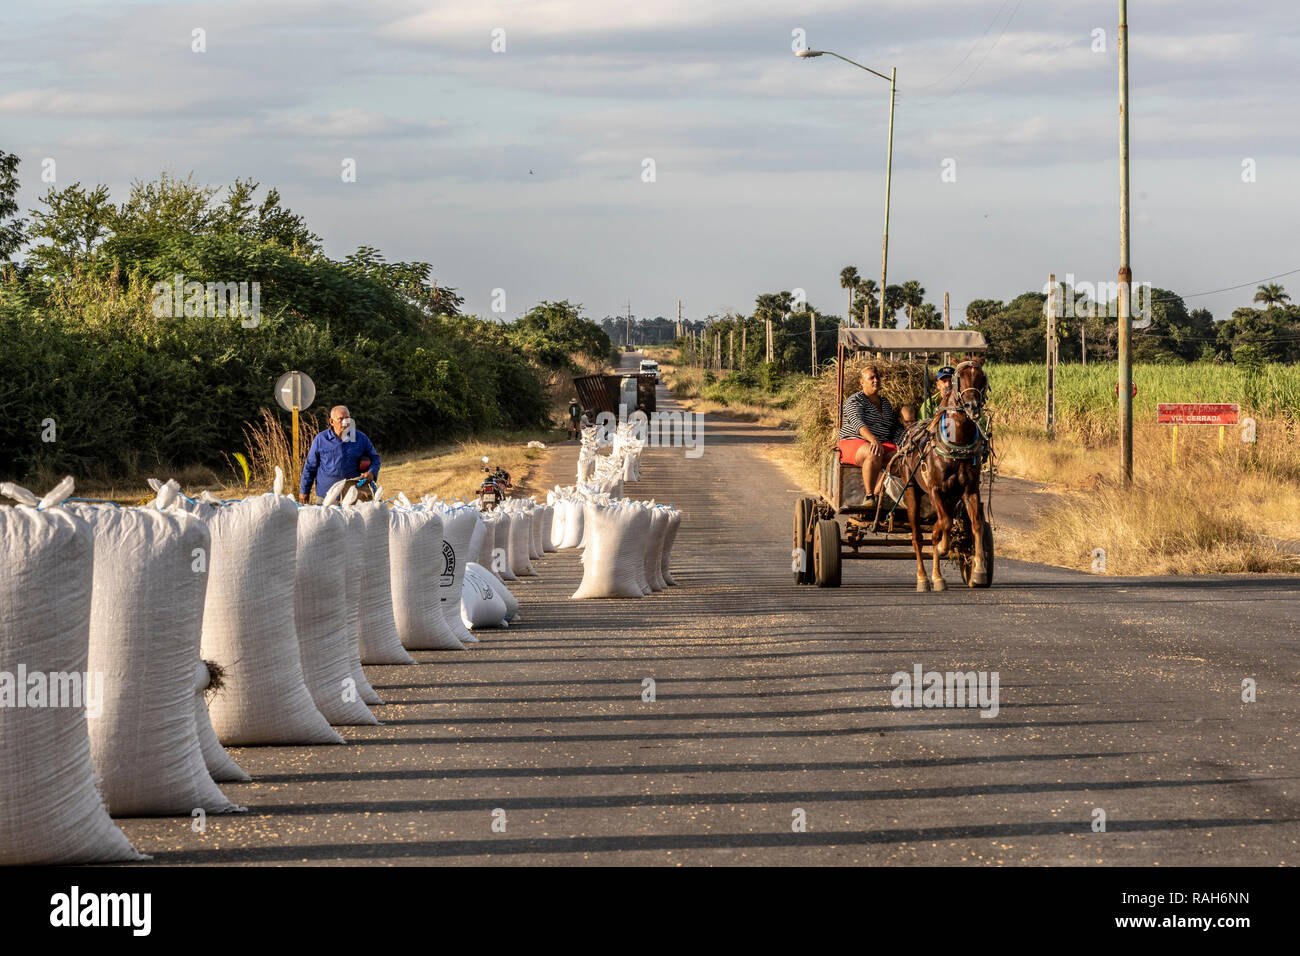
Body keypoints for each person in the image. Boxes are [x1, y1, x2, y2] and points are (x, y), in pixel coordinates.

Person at [837, 365, 902, 505]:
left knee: (902, 458)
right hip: (854, 441)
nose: (875, 381)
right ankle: (869, 496)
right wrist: (873, 439)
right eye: (871, 378)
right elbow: (857, 422)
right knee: (873, 452)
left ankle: (878, 492)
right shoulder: (855, 400)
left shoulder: (885, 403)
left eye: (877, 377)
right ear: (862, 382)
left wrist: (899, 442)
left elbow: (893, 427)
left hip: (881, 442)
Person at [297, 405, 381, 503]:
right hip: (326, 496)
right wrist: (304, 491)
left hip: (354, 494)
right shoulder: (320, 440)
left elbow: (375, 458)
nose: (345, 422)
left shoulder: (360, 438)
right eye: (341, 419)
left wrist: (372, 472)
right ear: (331, 422)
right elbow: (310, 467)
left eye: (348, 418)